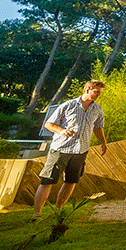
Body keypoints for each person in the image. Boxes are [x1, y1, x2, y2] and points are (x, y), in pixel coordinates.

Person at [32, 80, 107, 221]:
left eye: (99, 93)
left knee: (71, 181)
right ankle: (37, 215)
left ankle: (58, 211)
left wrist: (103, 142)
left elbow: (98, 127)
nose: (98, 95)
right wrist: (62, 131)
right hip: (60, 149)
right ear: (87, 90)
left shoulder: (97, 109)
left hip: (81, 150)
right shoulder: (68, 105)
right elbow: (49, 124)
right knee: (47, 181)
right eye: (96, 92)